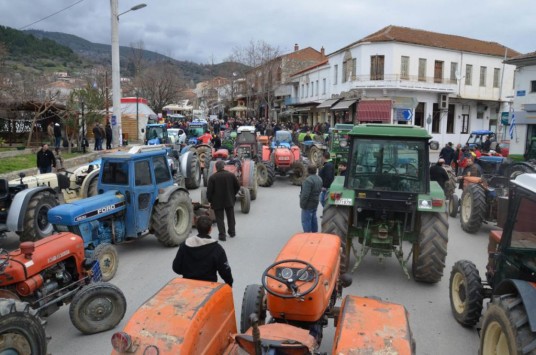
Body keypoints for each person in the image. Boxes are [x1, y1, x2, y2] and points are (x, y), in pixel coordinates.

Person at [171, 215, 233, 286]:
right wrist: (229, 283)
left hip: (188, 287)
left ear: (197, 228)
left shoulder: (185, 245)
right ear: (210, 229)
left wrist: (189, 274)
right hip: (208, 288)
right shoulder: (217, 249)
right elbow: (225, 271)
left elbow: (176, 268)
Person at [207, 160, 240, 241]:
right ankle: (232, 233)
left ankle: (222, 235)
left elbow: (209, 192)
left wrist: (210, 200)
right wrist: (232, 195)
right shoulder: (231, 175)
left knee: (219, 219)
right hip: (229, 200)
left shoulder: (212, 178)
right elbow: (238, 186)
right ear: (224, 166)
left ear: (216, 168)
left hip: (217, 202)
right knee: (231, 217)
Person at [300, 165, 323, 233]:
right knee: (313, 218)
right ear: (316, 171)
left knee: (306, 221)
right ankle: (314, 234)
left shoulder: (308, 181)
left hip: (308, 204)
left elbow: (305, 195)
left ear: (308, 170)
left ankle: (307, 235)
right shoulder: (319, 179)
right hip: (315, 202)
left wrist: (302, 204)